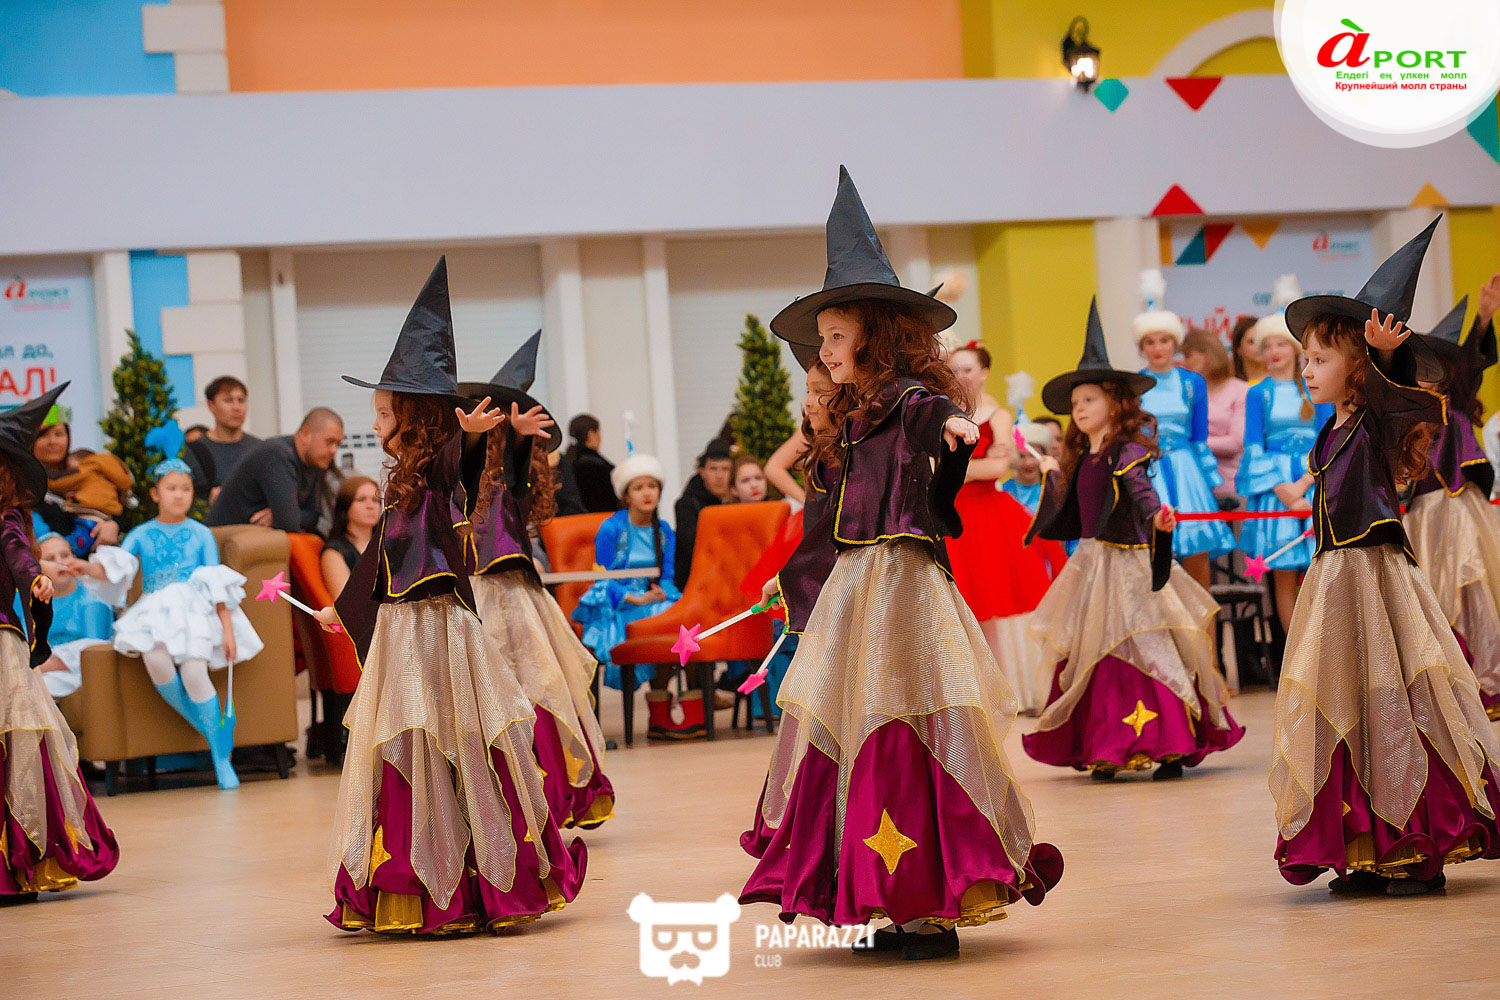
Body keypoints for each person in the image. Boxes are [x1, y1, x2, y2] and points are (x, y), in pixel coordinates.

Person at [742, 168, 1061, 961]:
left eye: (836, 336)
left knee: (909, 721)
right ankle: (881, 896)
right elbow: (828, 520)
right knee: (856, 722)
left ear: (875, 340)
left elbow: (930, 414)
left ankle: (926, 904)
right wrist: (793, 577)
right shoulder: (850, 419)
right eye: (823, 340)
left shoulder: (906, 400)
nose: (824, 351)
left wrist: (953, 426)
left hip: (903, 588)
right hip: (858, 589)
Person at [313, 257, 586, 934]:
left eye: (384, 414)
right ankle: (426, 875)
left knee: (452, 737)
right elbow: (381, 557)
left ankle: (473, 877)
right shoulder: (403, 484)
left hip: (439, 630)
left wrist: (469, 438)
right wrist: (341, 609)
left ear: (414, 418)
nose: (376, 424)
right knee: (414, 740)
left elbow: (453, 466)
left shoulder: (437, 474)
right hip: (405, 629)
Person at [1270, 219, 1500, 895]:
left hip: (1376, 575)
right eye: (1305, 359)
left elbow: (1401, 404)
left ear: (1357, 370)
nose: (1306, 370)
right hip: (1333, 578)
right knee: (1349, 703)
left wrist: (1385, 360)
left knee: (1395, 697)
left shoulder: (1375, 419)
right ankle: (1366, 846)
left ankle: (1416, 842)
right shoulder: (1329, 432)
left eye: (1319, 360)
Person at [1022, 298, 1241, 781]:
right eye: (1075, 404)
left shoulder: (1126, 452)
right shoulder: (1084, 456)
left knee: (1146, 643)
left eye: (1088, 400)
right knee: (1094, 649)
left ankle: (1167, 741)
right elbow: (1074, 510)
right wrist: (1051, 474)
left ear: (1115, 403)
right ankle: (1107, 742)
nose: (1079, 410)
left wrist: (1156, 517)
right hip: (1093, 564)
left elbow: (1142, 493)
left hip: (1130, 566)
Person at [458, 331, 614, 828]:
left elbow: (512, 479)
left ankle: (551, 794)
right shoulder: (464, 474)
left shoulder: (508, 478)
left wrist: (520, 440)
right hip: (479, 593)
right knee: (503, 692)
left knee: (540, 686)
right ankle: (506, 801)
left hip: (513, 594)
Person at [0, 383, 118, 901]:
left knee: (18, 745)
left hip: (2, 644)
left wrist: (34, 581)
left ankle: (19, 860)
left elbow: (19, 555)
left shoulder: (7, 520)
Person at [109, 459, 264, 790]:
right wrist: (87, 567)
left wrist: (227, 628)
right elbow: (116, 567)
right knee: (155, 659)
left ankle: (220, 758)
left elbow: (215, 583)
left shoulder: (201, 534)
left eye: (186, 489)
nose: (179, 495)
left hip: (194, 612)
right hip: (155, 611)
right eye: (171, 488)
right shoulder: (140, 534)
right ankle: (215, 735)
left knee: (194, 672)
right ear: (155, 493)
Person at [945, 341, 1059, 714]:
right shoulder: (940, 414)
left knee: (996, 602)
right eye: (953, 369)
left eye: (967, 369)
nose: (960, 376)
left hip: (988, 517)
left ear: (983, 373)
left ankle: (1007, 691)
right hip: (949, 515)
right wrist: (968, 470)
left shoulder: (998, 415)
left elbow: (997, 468)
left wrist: (951, 471)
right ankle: (967, 696)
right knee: (959, 604)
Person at [1405, 276, 1500, 718]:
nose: (1425, 375)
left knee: (1473, 587)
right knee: (1434, 596)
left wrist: (1482, 318)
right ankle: (1449, 684)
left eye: (1435, 367)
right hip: (1423, 519)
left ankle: (1487, 682)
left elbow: (1471, 364)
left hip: (1461, 513)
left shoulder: (1455, 404)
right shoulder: (1407, 417)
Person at [1237, 277, 1333, 649]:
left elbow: (1328, 440)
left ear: (1295, 348)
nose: (1273, 351)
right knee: (1283, 577)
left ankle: (1326, 653)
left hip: (1312, 485)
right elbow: (1253, 447)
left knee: (1319, 573)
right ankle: (1299, 655)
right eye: (1267, 345)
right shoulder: (1257, 394)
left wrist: (1303, 486)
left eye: (1280, 343)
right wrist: (1284, 491)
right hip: (1275, 491)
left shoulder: (1314, 387)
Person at [571, 455, 695, 739]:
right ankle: (660, 713)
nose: (647, 493)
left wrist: (660, 592)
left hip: (653, 599)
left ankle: (671, 712)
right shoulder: (611, 528)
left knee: (681, 622)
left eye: (652, 486)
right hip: (618, 604)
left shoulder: (664, 531)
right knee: (661, 618)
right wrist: (636, 599)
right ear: (625, 495)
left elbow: (667, 574)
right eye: (638, 488)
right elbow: (602, 577)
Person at [1134, 270, 1234, 589]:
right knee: (1156, 556)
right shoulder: (1134, 384)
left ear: (1174, 343)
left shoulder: (1193, 382)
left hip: (1186, 469)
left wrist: (1205, 477)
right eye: (1150, 342)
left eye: (1164, 340)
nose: (1158, 347)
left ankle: (1205, 623)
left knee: (1197, 556)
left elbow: (1199, 435)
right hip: (1148, 469)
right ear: (1142, 346)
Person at [207, 407, 343, 535]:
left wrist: (281, 515)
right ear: (305, 434)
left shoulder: (316, 460)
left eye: (338, 444)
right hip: (225, 540)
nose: (334, 450)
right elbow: (289, 523)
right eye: (329, 442)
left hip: (254, 539)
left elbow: (313, 517)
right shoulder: (276, 454)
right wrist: (285, 515)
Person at [33, 532, 132, 700]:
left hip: (79, 674)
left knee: (38, 686)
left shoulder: (93, 600)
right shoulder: (30, 603)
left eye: (65, 555)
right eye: (50, 558)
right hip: (39, 669)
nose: (60, 562)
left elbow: (96, 652)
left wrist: (48, 665)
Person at [31, 407, 120, 557]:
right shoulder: (23, 484)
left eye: (59, 434)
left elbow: (112, 504)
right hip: (50, 565)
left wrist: (112, 525)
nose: (52, 441)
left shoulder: (83, 469)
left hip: (96, 563)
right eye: (43, 435)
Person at [1181, 327, 1249, 506]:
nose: (1184, 362)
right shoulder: (1186, 392)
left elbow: (1236, 442)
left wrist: (1186, 445)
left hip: (1232, 488)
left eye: (1188, 355)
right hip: (1194, 487)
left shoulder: (1240, 390)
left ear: (1207, 354)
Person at [184, 376, 261, 504]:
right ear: (211, 405)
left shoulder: (260, 449)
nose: (236, 407)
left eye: (241, 400)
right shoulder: (193, 452)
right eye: (228, 400)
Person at [673, 440, 731, 586]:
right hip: (695, 581)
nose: (719, 476)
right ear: (702, 472)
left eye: (725, 469)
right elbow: (694, 547)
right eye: (713, 469)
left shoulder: (736, 500)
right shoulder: (687, 505)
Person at [565, 414, 619, 514]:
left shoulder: (566, 463)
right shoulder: (598, 467)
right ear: (591, 434)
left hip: (573, 520)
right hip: (601, 520)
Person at [1231, 314, 1267, 384]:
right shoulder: (1229, 385)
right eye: (1252, 342)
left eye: (1262, 341)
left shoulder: (1280, 381)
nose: (1259, 346)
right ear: (1238, 348)